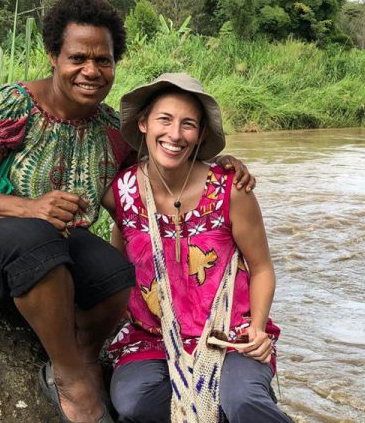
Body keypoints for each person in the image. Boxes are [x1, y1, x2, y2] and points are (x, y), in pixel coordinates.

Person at [0, 0, 255, 423]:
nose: (91, 70)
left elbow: (153, 180)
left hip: (54, 239)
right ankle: (70, 379)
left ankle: (85, 355)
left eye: (103, 60)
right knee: (39, 240)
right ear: (53, 57)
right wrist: (30, 207)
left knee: (118, 272)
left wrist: (216, 168)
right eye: (77, 58)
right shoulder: (14, 104)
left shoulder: (108, 128)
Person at [103, 73, 290, 422]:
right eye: (164, 119)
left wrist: (258, 329)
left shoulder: (230, 189)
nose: (175, 134)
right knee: (133, 402)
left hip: (228, 334)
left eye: (188, 124)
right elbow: (119, 259)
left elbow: (262, 267)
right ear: (143, 123)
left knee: (243, 402)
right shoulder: (121, 192)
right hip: (151, 337)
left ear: (201, 134)